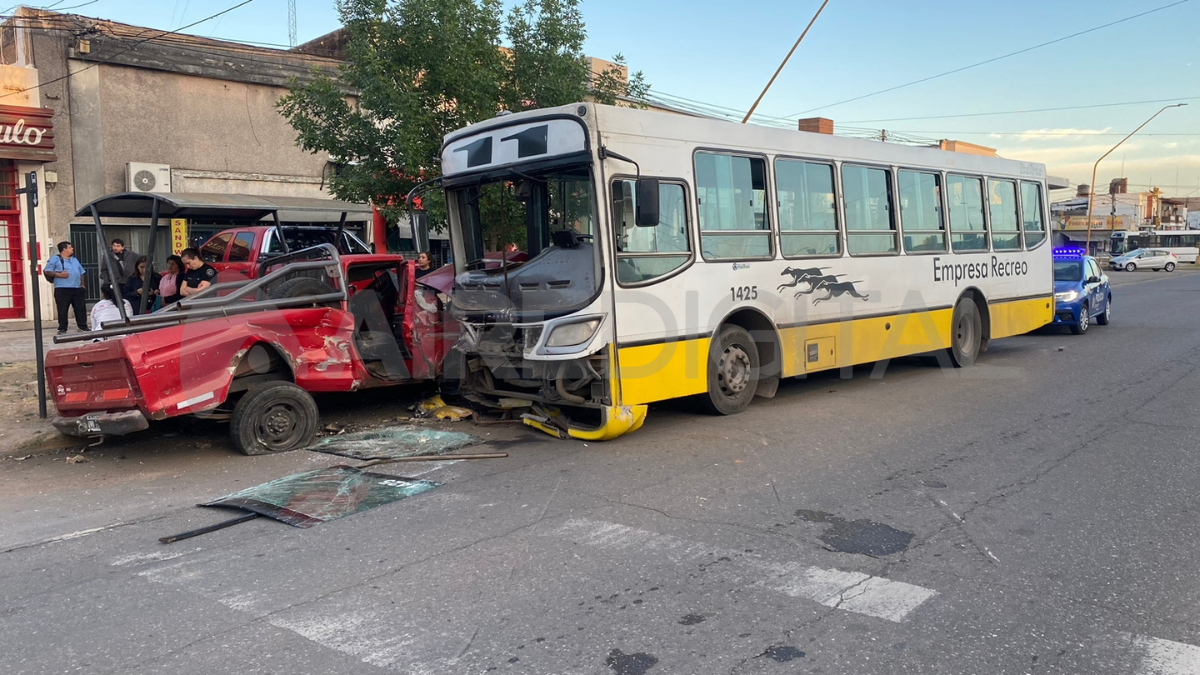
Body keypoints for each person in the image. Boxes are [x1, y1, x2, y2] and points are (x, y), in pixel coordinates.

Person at [45, 241, 88, 334]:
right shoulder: (55, 259)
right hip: (63, 288)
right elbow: (47, 271)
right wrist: (59, 275)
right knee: (62, 309)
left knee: (80, 308)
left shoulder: (74, 259)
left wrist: (82, 284)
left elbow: (81, 272)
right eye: (70, 247)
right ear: (64, 249)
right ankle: (62, 328)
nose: (72, 249)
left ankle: (83, 326)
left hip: (77, 288)